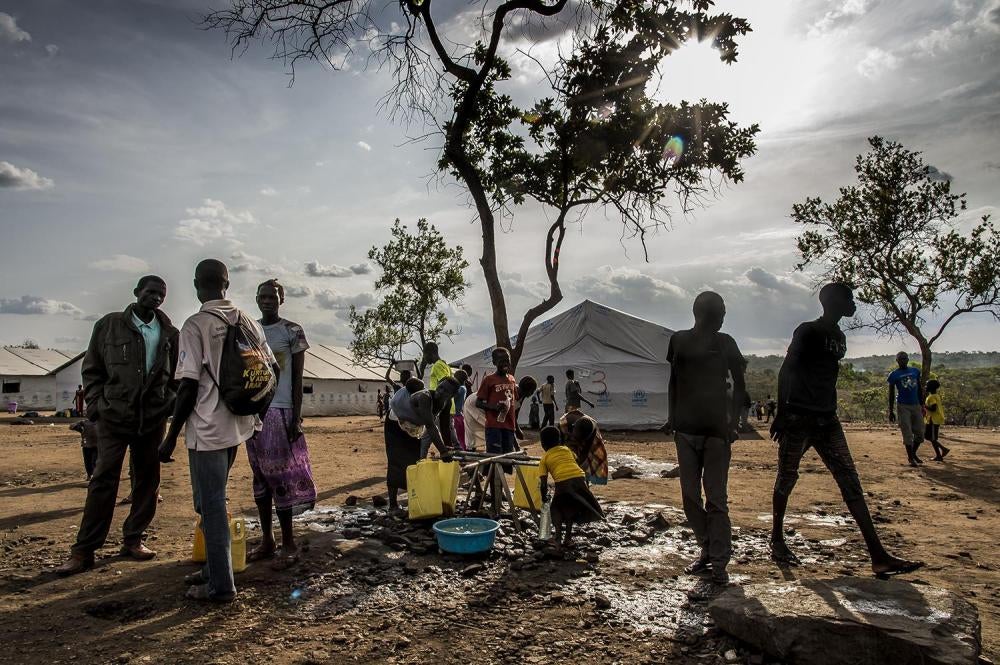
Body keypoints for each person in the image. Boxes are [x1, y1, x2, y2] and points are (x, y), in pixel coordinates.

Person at [769, 283, 924, 577]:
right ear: (833, 301)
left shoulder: (839, 337)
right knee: (786, 476)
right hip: (800, 418)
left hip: (827, 420)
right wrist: (782, 412)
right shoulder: (808, 331)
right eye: (848, 298)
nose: (853, 303)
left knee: (850, 481)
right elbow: (787, 369)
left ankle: (877, 555)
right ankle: (776, 538)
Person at [157, 259, 275, 603]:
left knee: (210, 505)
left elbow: (188, 386)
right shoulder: (248, 320)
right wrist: (258, 418)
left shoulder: (195, 325)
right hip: (237, 425)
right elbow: (273, 370)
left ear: (197, 285)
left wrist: (168, 438)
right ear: (227, 283)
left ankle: (221, 587)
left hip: (207, 430)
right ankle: (213, 568)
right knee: (210, 501)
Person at [55, 276, 179, 576]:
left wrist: (167, 404)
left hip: (151, 419)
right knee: (103, 479)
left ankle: (134, 539)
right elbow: (93, 368)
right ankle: (84, 550)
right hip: (114, 416)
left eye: (160, 294)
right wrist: (97, 405)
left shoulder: (170, 333)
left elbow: (177, 375)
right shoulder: (109, 326)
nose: (155, 298)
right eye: (150, 292)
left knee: (147, 481)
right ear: (137, 293)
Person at [664, 291, 745, 585]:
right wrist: (671, 418)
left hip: (716, 433)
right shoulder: (679, 340)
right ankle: (707, 547)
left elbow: (740, 387)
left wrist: (733, 424)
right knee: (689, 496)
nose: (723, 317)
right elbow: (673, 379)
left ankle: (720, 561)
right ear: (703, 313)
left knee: (716, 499)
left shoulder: (726, 344)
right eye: (720, 312)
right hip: (685, 430)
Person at [245, 279, 317, 569]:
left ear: (282, 299)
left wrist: (296, 417)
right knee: (260, 477)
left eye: (272, 296)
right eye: (262, 296)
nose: (267, 301)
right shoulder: (250, 330)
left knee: (282, 477)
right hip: (255, 413)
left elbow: (298, 379)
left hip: (282, 411)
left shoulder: (292, 331)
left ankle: (288, 541)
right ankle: (267, 539)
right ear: (256, 298)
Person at [383, 372, 466, 510]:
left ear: (452, 396)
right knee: (396, 461)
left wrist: (449, 448)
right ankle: (392, 504)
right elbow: (431, 426)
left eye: (446, 391)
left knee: (413, 462)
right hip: (395, 425)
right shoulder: (425, 397)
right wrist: (443, 452)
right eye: (440, 387)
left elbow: (444, 428)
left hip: (413, 429)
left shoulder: (445, 403)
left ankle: (414, 503)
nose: (441, 392)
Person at [538, 426, 604, 551]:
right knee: (571, 508)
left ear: (543, 444)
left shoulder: (545, 458)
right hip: (579, 478)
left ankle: (557, 538)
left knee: (556, 509)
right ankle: (567, 538)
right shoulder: (567, 450)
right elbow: (576, 460)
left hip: (563, 482)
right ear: (559, 440)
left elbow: (543, 483)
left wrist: (543, 497)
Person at [477, 348, 521, 462]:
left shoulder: (511, 379)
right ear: (494, 362)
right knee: (495, 459)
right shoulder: (489, 380)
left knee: (507, 461)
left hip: (509, 427)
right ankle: (480, 474)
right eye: (501, 361)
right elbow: (478, 402)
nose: (505, 363)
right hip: (494, 427)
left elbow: (513, 403)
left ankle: (488, 475)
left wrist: (516, 427)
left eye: (507, 360)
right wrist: (494, 407)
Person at [888, 351, 925, 466]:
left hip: (916, 405)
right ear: (897, 361)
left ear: (908, 360)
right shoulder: (894, 375)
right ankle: (911, 458)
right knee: (907, 432)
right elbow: (891, 393)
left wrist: (922, 404)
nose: (903, 361)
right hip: (903, 406)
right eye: (900, 359)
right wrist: (891, 410)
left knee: (920, 433)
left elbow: (919, 388)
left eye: (904, 358)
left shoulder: (915, 371)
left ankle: (913, 454)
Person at [423, 341, 455, 449]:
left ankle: (419, 458)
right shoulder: (445, 365)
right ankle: (451, 454)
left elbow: (445, 382)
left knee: (428, 435)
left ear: (431, 353)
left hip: (441, 404)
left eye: (424, 354)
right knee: (446, 433)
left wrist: (437, 398)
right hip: (445, 403)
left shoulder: (437, 365)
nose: (424, 358)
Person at [567, 414, 608, 486]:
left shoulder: (592, 429)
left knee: (589, 460)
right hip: (568, 442)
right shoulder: (565, 423)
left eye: (583, 439)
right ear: (573, 427)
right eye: (578, 437)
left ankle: (584, 482)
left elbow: (585, 452)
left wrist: (577, 467)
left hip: (587, 442)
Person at [924, 379, 950, 461]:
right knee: (929, 437)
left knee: (932, 438)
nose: (925, 387)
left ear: (931, 388)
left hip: (933, 420)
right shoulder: (936, 396)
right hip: (934, 419)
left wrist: (923, 406)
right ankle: (941, 452)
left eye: (927, 385)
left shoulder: (931, 397)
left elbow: (933, 408)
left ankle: (942, 451)